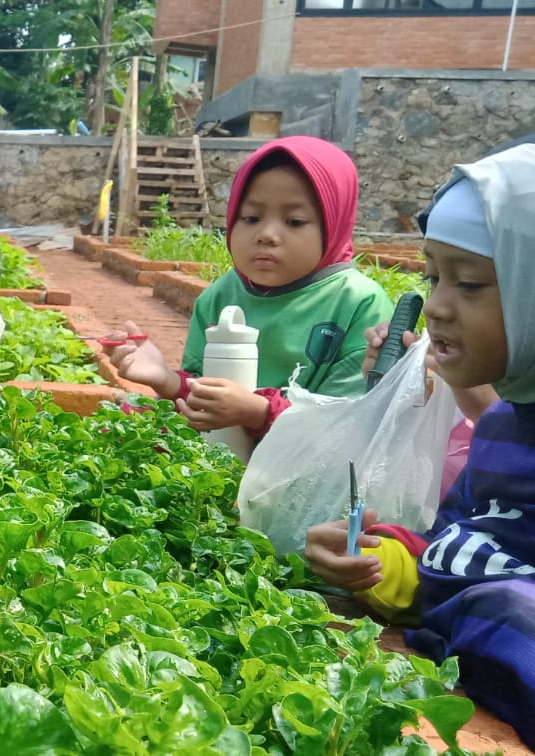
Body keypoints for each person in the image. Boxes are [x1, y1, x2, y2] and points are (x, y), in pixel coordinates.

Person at [304, 144, 535, 748]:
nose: (435, 305)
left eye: (472, 283)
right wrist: (379, 565)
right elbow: (467, 544)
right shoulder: (506, 427)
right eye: (432, 276)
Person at [104, 136, 393, 441]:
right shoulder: (219, 297)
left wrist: (257, 412)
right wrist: (168, 381)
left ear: (334, 224)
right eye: (251, 218)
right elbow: (203, 399)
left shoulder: (360, 304)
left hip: (306, 474)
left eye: (294, 221)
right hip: (223, 461)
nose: (266, 234)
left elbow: (347, 427)